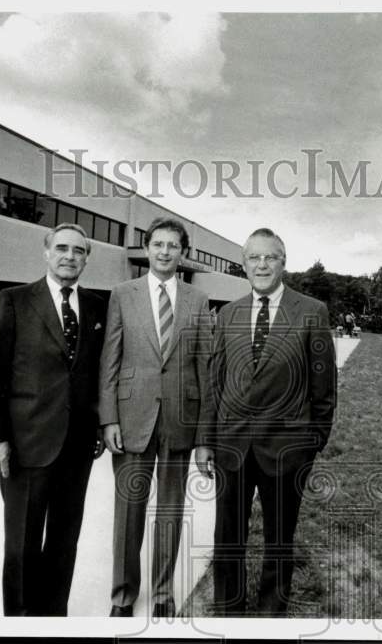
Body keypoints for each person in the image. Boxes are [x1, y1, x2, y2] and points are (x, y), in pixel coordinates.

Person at [195, 227, 337, 617]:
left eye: (270, 257)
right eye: (254, 258)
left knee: (279, 537)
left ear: (283, 262)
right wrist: (206, 440)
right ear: (243, 265)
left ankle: (272, 613)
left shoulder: (312, 312)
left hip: (288, 449)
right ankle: (229, 610)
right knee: (227, 536)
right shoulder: (228, 313)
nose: (262, 264)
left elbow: (324, 383)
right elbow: (215, 380)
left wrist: (314, 439)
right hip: (232, 446)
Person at [0, 223, 106, 616]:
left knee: (65, 540)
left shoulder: (99, 306)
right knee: (21, 543)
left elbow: (100, 371)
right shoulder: (14, 300)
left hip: (78, 445)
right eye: (62, 248)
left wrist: (101, 423)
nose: (70, 256)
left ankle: (53, 616)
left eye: (78, 250)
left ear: (87, 258)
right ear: (46, 253)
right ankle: (18, 620)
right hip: (26, 443)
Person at [99, 217, 213, 618]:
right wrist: (108, 417)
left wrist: (203, 437)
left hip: (180, 419)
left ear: (184, 254)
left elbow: (205, 367)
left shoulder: (198, 301)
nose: (165, 252)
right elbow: (109, 359)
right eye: (158, 244)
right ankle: (123, 595)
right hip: (131, 419)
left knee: (170, 511)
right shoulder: (122, 294)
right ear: (147, 249)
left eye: (173, 246)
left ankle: (163, 594)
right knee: (127, 512)